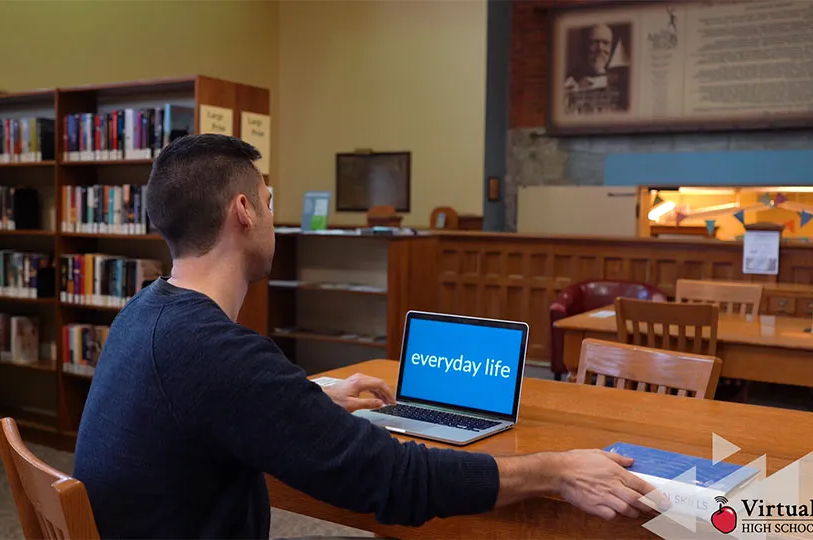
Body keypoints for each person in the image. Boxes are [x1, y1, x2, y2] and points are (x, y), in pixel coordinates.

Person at [73, 134, 663, 539]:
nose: (275, 220)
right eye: (271, 203)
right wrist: (558, 469)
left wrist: (303, 401)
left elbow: (212, 406)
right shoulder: (214, 351)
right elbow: (395, 480)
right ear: (244, 212)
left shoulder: (145, 311)